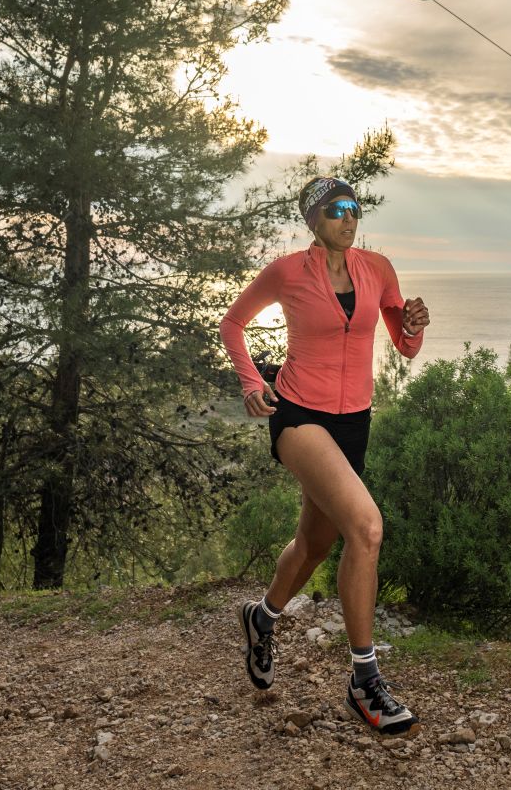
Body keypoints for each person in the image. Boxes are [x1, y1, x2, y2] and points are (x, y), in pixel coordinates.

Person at [219, 176, 431, 734]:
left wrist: (413, 327)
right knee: (366, 527)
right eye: (336, 209)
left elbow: (403, 346)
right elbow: (232, 322)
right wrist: (249, 383)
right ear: (314, 219)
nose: (349, 216)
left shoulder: (378, 268)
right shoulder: (287, 271)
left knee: (315, 543)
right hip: (298, 414)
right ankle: (364, 680)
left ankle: (261, 617)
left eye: (354, 208)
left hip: (354, 420)